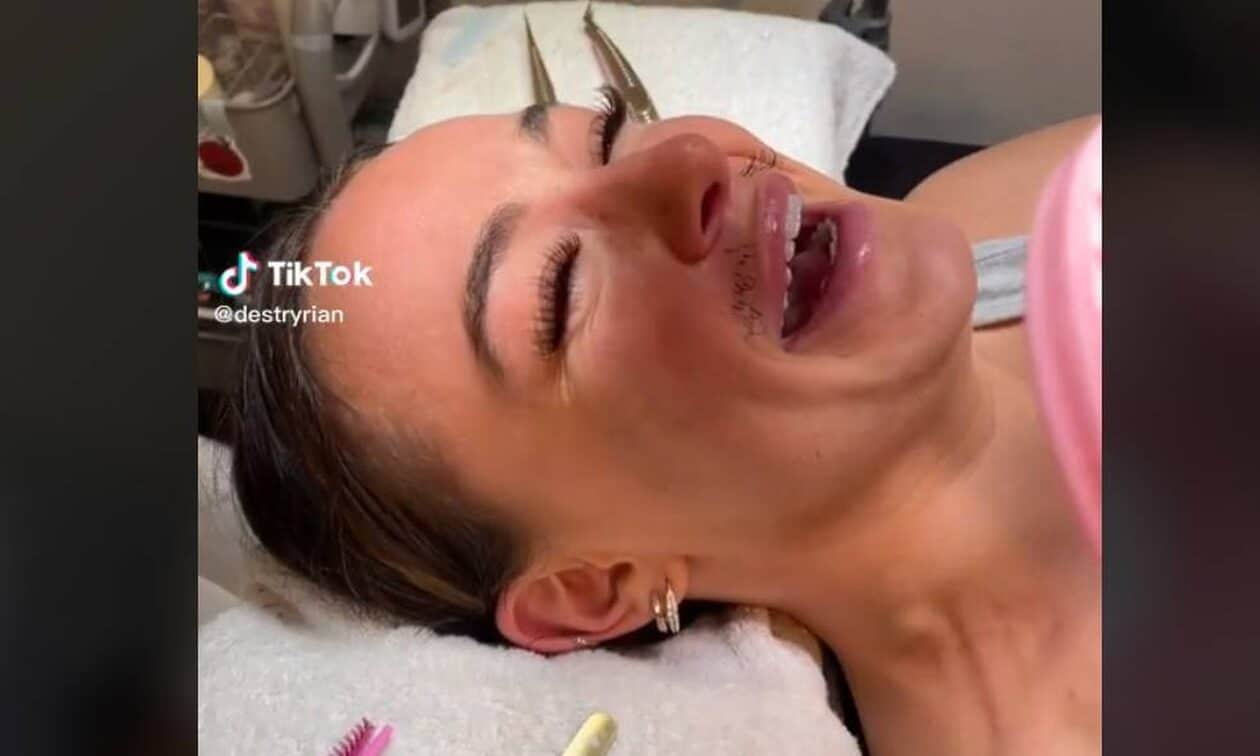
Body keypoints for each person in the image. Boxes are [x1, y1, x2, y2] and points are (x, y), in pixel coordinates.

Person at [232, 88, 1101, 756]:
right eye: (560, 289)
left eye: (607, 135)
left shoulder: (999, 200)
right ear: (594, 587)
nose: (688, 159)